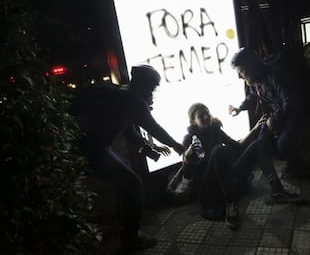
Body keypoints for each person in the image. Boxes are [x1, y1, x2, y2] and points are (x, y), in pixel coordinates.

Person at [69, 65, 185, 252]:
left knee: (126, 178)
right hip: (93, 150)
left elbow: (130, 132)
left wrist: (150, 150)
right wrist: (177, 146)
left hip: (94, 146)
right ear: (144, 83)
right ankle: (131, 238)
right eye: (153, 87)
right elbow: (154, 128)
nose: (153, 92)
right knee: (132, 183)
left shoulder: (122, 92)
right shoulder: (133, 100)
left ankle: (125, 226)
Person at [229, 47, 310, 204]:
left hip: (295, 114)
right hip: (278, 115)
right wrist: (240, 107)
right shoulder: (256, 78)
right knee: (261, 143)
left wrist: (274, 120)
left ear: (251, 66)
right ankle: (277, 189)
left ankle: (296, 163)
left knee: (282, 147)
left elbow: (291, 103)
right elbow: (254, 95)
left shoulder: (276, 75)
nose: (240, 77)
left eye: (242, 72)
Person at [170, 102, 266, 230]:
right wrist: (186, 157)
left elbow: (237, 147)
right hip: (207, 183)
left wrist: (255, 129)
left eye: (207, 113)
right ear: (193, 122)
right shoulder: (189, 139)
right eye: (200, 116)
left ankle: (277, 190)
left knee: (256, 144)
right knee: (218, 150)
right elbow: (188, 175)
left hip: (225, 175)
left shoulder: (216, 131)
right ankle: (230, 201)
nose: (205, 117)